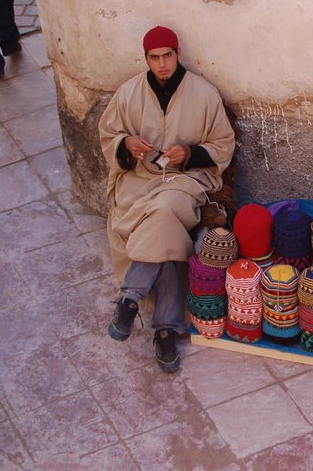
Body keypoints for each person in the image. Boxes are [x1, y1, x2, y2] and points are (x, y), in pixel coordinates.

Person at [98, 26, 235, 373]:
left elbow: (223, 145)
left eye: (168, 56)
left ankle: (131, 295)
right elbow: (109, 135)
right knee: (167, 232)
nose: (162, 64)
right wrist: (127, 144)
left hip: (184, 180)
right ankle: (166, 329)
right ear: (146, 59)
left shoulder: (203, 94)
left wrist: (189, 153)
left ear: (178, 54)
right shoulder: (129, 94)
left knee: (163, 209)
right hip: (139, 180)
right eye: (154, 58)